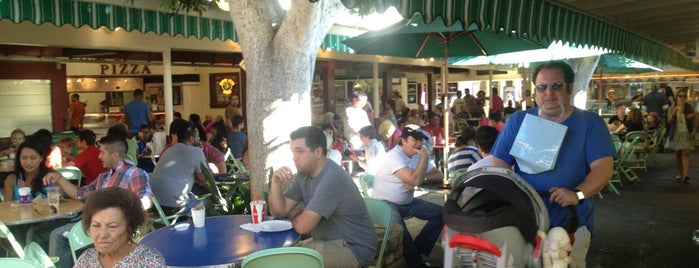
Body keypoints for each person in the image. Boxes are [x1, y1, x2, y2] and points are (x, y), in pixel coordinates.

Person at [490, 61, 616, 268]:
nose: (548, 92)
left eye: (556, 86)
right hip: (526, 221)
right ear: (535, 91)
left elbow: (603, 169)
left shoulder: (590, 123)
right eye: (542, 87)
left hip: (571, 223)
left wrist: (578, 194)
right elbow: (500, 162)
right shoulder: (518, 120)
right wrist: (512, 194)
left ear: (570, 88)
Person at [268, 126, 376, 268]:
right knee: (278, 254)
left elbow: (302, 227)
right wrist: (275, 182)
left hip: (353, 248)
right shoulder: (304, 174)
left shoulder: (332, 178)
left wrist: (294, 216)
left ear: (318, 152)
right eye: (293, 151)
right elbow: (278, 212)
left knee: (289, 262)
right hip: (329, 241)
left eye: (299, 151)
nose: (294, 157)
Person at [44, 134, 153, 268]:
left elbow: (146, 200)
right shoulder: (104, 176)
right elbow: (80, 193)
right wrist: (59, 178)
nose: (99, 156)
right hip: (94, 222)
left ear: (115, 155)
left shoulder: (135, 173)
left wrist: (121, 213)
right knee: (39, 232)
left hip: (115, 228)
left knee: (58, 236)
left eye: (102, 153)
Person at [372, 124, 444, 267]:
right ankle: (416, 264)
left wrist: (420, 178)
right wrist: (417, 172)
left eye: (420, 140)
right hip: (385, 203)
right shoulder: (394, 156)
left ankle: (418, 250)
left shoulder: (417, 155)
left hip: (408, 202)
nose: (418, 143)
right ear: (403, 140)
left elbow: (439, 175)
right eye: (414, 139)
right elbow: (414, 179)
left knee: (442, 214)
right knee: (401, 230)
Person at [74, 187, 166, 268]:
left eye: (112, 226)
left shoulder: (148, 261)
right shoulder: (86, 260)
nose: (102, 235)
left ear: (130, 228)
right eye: (96, 225)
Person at [151, 119, 207, 216]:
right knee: (209, 202)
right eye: (198, 136)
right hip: (174, 206)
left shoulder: (169, 150)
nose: (199, 138)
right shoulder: (196, 152)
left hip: (155, 205)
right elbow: (205, 179)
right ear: (191, 139)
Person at [665, 88, 696, 183]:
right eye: (680, 96)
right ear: (676, 97)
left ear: (686, 98)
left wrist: (693, 131)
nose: (682, 97)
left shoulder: (689, 107)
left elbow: (696, 118)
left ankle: (686, 174)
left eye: (684, 96)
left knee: (686, 153)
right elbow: (669, 121)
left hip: (686, 132)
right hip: (675, 133)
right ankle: (679, 173)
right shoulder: (672, 107)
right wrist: (674, 111)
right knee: (678, 154)